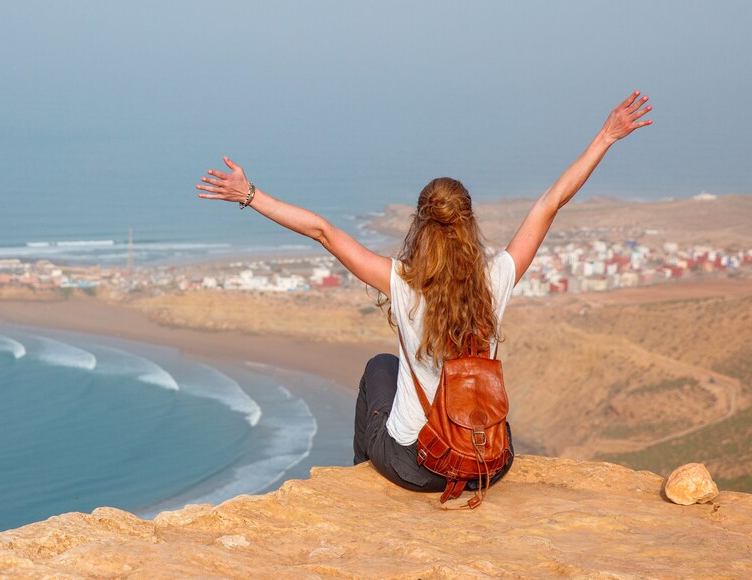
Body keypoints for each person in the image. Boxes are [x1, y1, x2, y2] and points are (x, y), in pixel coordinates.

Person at [196, 90, 653, 493]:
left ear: (420, 225)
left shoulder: (403, 282)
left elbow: (322, 231)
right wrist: (606, 136)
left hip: (417, 467)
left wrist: (249, 194)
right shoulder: (497, 276)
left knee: (381, 368)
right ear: (469, 222)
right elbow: (552, 203)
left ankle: (363, 488)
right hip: (487, 463)